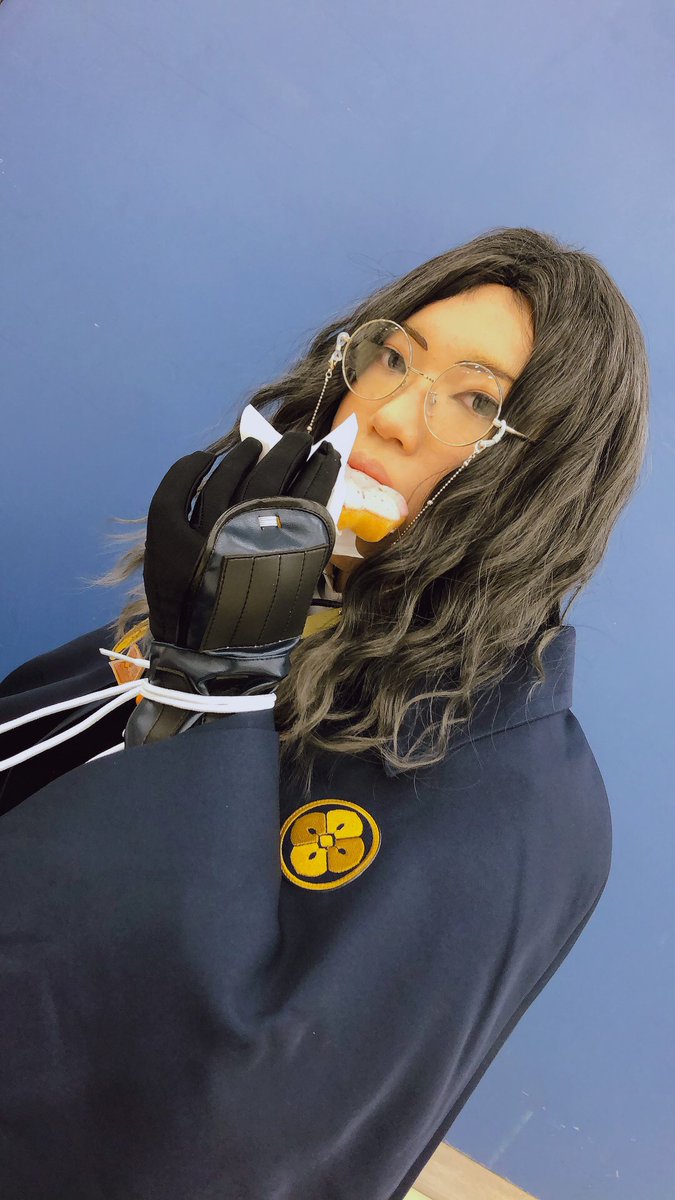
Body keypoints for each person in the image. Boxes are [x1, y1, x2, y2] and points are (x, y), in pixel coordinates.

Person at [0, 226, 649, 1200]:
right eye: (392, 357)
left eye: (476, 400)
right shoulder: (272, 604)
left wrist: (213, 699)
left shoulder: (518, 805)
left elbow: (232, 1138)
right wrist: (202, 656)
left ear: (545, 481)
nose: (387, 414)